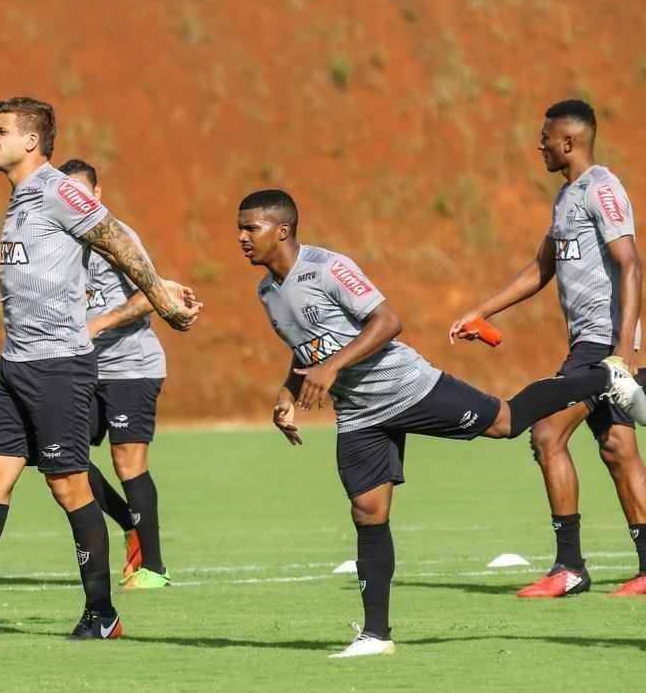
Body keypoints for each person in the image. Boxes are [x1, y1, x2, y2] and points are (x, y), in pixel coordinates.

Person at [239, 188, 645, 658]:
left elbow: (388, 321)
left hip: (409, 387)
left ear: (282, 230)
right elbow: (308, 348)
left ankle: (603, 377)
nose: (243, 238)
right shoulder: (267, 292)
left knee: (506, 421)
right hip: (359, 413)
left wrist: (332, 369)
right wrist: (289, 391)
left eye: (251, 228)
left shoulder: (327, 268)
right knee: (368, 512)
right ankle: (375, 635)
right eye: (241, 229)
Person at [0, 97, 198, 640]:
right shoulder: (22, 196)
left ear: (31, 141)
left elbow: (117, 240)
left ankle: (102, 614)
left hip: (57, 366)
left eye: (0, 130)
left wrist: (162, 301)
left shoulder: (57, 188)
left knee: (69, 486)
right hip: (16, 363)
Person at [450, 99, 646, 598]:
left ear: (570, 141)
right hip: (590, 342)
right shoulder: (566, 198)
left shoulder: (602, 187)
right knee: (618, 448)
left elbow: (631, 265)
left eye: (546, 136)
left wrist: (622, 354)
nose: (539, 144)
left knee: (546, 433)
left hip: (604, 344)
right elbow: (541, 268)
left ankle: (569, 567)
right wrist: (483, 311)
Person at [59, 158, 192, 589]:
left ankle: (154, 567)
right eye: (68, 194)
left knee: (126, 459)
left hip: (131, 365)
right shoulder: (57, 242)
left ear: (97, 196)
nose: (75, 202)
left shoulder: (117, 236)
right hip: (82, 367)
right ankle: (130, 524)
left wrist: (99, 323)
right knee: (58, 454)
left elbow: (150, 294)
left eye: (82, 194)